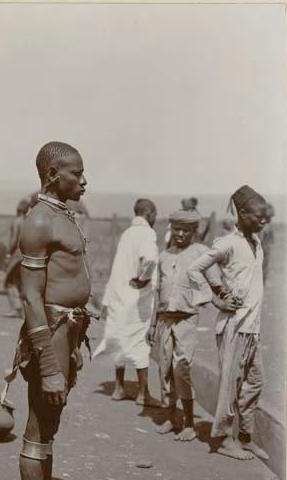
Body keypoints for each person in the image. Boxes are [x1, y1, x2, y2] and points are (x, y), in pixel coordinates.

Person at [5, 141, 92, 480]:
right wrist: (49, 362)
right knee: (38, 426)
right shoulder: (39, 221)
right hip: (51, 331)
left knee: (50, 425)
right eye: (77, 172)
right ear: (54, 174)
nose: (84, 180)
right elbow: (30, 298)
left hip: (71, 330)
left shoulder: (64, 216)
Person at [187, 184, 270, 461]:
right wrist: (217, 299)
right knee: (229, 385)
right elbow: (195, 268)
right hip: (234, 325)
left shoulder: (256, 241)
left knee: (255, 382)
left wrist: (221, 286)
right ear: (242, 213)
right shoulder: (228, 242)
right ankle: (223, 439)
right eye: (258, 216)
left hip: (253, 327)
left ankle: (245, 438)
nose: (264, 220)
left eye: (266, 215)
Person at [148, 208, 222, 439]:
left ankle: (189, 423)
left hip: (187, 321)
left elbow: (215, 283)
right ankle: (171, 418)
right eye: (176, 229)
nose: (180, 234)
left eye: (185, 230)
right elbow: (157, 291)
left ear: (194, 231)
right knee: (164, 369)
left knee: (182, 368)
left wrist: (223, 302)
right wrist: (152, 325)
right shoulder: (164, 255)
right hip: (163, 320)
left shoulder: (201, 253)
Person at [93, 198, 159, 406]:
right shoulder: (147, 233)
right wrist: (144, 278)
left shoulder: (127, 234)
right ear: (148, 213)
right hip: (137, 297)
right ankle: (143, 393)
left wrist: (106, 301)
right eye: (154, 214)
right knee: (140, 343)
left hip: (119, 296)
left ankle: (119, 389)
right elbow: (149, 259)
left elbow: (116, 270)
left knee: (120, 339)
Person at [3, 196, 35, 317]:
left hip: (17, 255)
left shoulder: (16, 221)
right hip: (28, 254)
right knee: (22, 282)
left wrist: (8, 254)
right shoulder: (29, 221)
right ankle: (25, 310)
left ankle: (16, 309)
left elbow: (14, 240)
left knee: (9, 281)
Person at [259, 203, 275, 280]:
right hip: (263, 248)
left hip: (265, 248)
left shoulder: (265, 225)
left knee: (263, 268)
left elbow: (271, 239)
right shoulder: (265, 226)